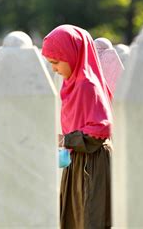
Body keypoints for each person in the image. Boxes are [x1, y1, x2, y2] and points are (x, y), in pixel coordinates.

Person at [42, 24, 113, 229]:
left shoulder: (87, 85)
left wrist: (65, 139)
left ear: (74, 55)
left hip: (91, 163)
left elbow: (99, 131)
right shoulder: (72, 84)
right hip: (78, 161)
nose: (54, 69)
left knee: (90, 217)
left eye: (56, 62)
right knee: (75, 217)